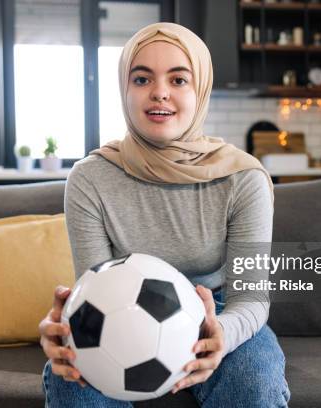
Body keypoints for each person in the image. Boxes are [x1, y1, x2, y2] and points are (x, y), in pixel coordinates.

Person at [39, 22, 290, 408]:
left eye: (178, 79)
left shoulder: (244, 178)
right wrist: (71, 324)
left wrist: (219, 332)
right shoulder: (90, 178)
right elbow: (98, 290)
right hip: (120, 321)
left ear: (200, 88)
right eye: (142, 79)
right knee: (72, 383)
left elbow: (251, 298)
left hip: (218, 314)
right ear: (124, 88)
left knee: (255, 382)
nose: (159, 92)